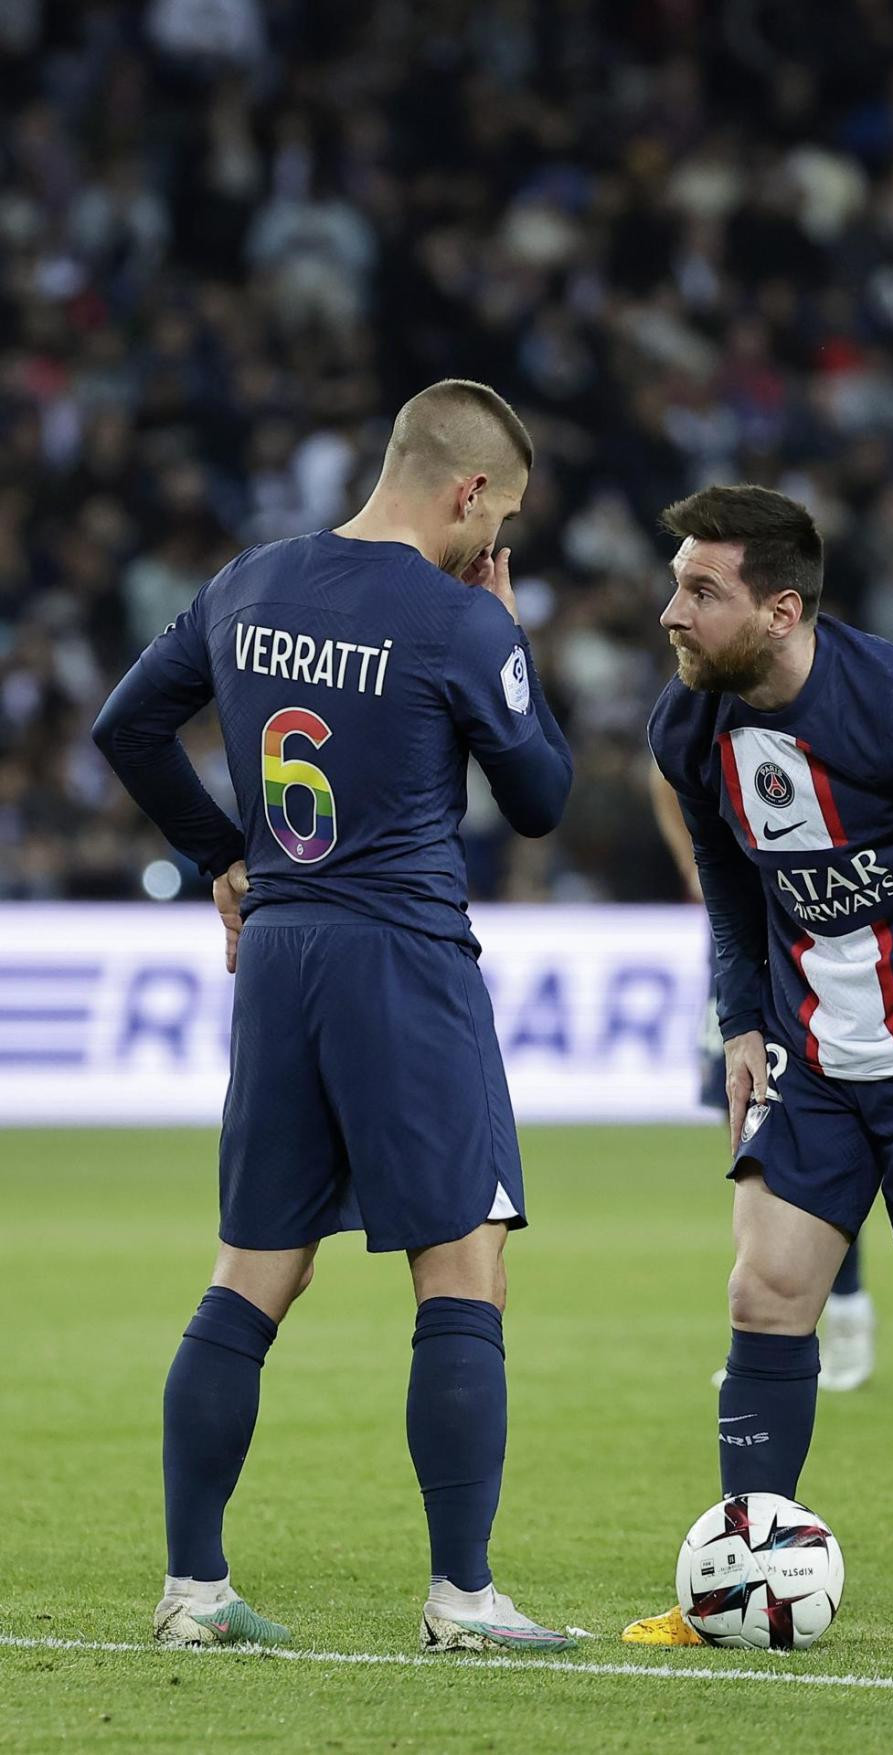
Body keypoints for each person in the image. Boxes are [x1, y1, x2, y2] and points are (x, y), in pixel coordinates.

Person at [93, 379, 575, 1654]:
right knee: (464, 1261)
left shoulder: (250, 583)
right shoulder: (457, 615)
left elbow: (127, 723)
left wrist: (221, 855)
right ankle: (464, 1599)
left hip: (285, 953)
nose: (498, 544)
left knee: (254, 1269)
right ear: (468, 491)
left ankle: (193, 1592)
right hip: (405, 955)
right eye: (503, 515)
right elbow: (541, 799)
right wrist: (509, 640)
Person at [624, 485, 893, 1653]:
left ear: (782, 609)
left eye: (699, 591)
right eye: (676, 583)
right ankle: (736, 1580)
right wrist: (741, 1021)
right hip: (812, 1061)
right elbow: (725, 883)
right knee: (764, 1296)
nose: (671, 611)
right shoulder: (687, 728)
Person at [650, 764, 877, 1393]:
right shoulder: (705, 716)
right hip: (742, 932)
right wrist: (695, 864)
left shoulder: (801, 713)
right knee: (757, 1127)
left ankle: (846, 1313)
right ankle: (777, 1338)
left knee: (815, 1125)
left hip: (809, 935)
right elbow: (662, 777)